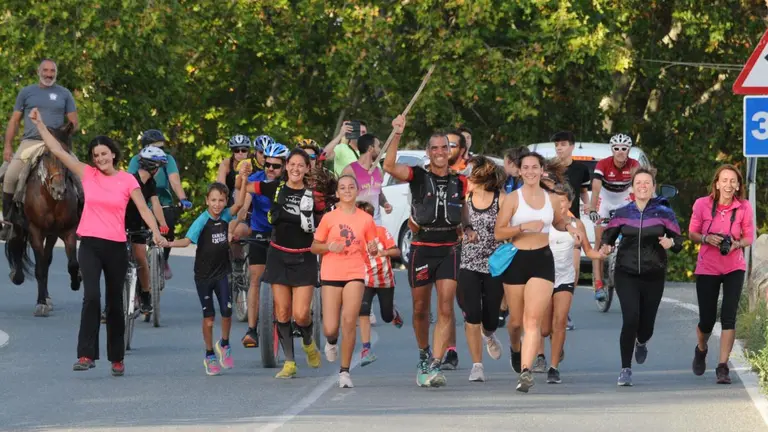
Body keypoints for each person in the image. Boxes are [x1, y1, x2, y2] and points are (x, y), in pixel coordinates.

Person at [28, 108, 166, 376]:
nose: (100, 158)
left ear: (113, 154)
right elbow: (58, 151)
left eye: (104, 154)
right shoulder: (87, 174)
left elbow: (145, 208)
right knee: (91, 297)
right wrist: (40, 125)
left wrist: (157, 232)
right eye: (96, 155)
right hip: (90, 244)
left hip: (115, 246)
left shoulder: (128, 180)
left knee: (114, 303)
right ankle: (85, 354)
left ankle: (117, 358)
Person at [383, 116, 472, 388]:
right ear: (428, 152)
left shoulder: (460, 181)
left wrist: (468, 228)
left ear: (451, 151)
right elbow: (388, 165)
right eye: (434, 148)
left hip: (449, 249)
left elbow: (463, 210)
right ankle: (423, 354)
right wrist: (397, 133)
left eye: (444, 147)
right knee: (421, 309)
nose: (440, 152)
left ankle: (435, 362)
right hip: (422, 249)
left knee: (446, 306)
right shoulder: (417, 176)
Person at [494, 149, 581, 393]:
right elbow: (498, 232)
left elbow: (558, 222)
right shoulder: (512, 198)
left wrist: (570, 227)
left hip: (542, 260)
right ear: (520, 171)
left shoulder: (551, 198)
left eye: (535, 167)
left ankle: (526, 372)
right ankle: (514, 346)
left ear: (542, 171)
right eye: (526, 167)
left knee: (532, 320)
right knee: (515, 322)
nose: (531, 172)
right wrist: (522, 226)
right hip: (517, 260)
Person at [246, 148, 325, 379]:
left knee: (300, 315)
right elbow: (246, 190)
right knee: (282, 312)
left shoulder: (314, 195)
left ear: (307, 168)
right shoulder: (274, 188)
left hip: (304, 257)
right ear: (286, 166)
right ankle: (289, 362)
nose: (296, 169)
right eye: (292, 164)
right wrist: (243, 178)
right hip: (278, 256)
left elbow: (328, 216)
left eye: (301, 165)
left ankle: (309, 343)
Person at [600, 167, 683, 386]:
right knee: (630, 318)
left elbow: (679, 243)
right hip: (626, 273)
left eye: (647, 183)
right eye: (639, 183)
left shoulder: (664, 213)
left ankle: (642, 341)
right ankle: (625, 369)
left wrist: (671, 243)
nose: (643, 186)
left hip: (653, 274)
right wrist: (606, 246)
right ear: (632, 187)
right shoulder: (623, 212)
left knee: (646, 325)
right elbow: (608, 237)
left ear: (653, 187)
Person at [689, 165, 755, 384]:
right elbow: (692, 233)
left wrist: (737, 244)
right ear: (716, 183)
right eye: (724, 180)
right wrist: (707, 238)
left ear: (738, 185)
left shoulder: (744, 207)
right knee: (706, 320)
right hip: (707, 266)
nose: (728, 185)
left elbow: (749, 237)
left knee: (729, 315)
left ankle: (722, 366)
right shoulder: (702, 204)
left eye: (732, 181)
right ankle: (701, 348)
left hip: (734, 266)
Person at [311, 176, 378, 388]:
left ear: (357, 191)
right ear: (337, 193)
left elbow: (372, 244)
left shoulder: (366, 219)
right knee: (331, 328)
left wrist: (374, 249)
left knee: (349, 321)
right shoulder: (329, 218)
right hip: (331, 273)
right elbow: (314, 246)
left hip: (355, 272)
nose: (347, 191)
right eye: (343, 188)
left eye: (351, 187)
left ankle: (345, 371)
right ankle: (331, 342)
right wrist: (329, 247)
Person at [2, 59, 78, 240]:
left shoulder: (64, 94)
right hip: (31, 142)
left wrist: (65, 132)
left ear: (56, 73)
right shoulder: (26, 92)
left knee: (81, 177)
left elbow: (74, 123)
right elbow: (14, 121)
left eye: (52, 71)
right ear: (39, 71)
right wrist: (8, 146)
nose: (49, 74)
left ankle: (82, 221)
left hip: (57, 143)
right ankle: (8, 223)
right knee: (10, 176)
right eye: (45, 70)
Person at [536, 181, 601, 384]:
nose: (560, 206)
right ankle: (555, 346)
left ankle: (554, 367)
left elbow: (589, 251)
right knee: (545, 329)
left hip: (564, 279)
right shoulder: (542, 222)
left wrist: (603, 254)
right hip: (544, 278)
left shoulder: (576, 225)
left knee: (560, 323)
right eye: (557, 201)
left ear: (570, 203)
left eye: (564, 202)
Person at [169, 183, 236, 375]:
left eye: (221, 200)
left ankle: (224, 344)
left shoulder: (226, 216)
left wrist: (243, 180)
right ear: (207, 200)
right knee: (209, 319)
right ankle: (209, 355)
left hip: (222, 273)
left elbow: (240, 206)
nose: (217, 204)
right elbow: (187, 241)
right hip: (204, 276)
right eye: (213, 200)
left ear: (225, 202)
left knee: (227, 311)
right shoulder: (201, 221)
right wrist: (169, 243)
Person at [458, 156, 506, 383]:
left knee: (490, 318)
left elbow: (509, 226)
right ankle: (477, 365)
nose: (467, 178)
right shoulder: (464, 199)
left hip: (494, 265)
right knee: (472, 316)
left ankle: (489, 335)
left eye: (471, 174)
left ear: (481, 177)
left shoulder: (501, 199)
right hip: (468, 263)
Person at [237, 143, 288, 347]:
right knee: (256, 278)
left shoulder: (290, 182)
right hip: (259, 230)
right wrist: (237, 222)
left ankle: (289, 320)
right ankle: (251, 330)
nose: (270, 169)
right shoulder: (256, 180)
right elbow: (244, 202)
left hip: (284, 234)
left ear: (284, 166)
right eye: (267, 164)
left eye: (276, 166)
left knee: (285, 280)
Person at [128, 129, 192, 280]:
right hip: (139, 204)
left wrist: (182, 199)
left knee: (168, 223)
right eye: (157, 147)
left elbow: (174, 181)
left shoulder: (166, 159)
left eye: (162, 147)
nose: (161, 151)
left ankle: (164, 259)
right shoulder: (136, 161)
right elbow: (129, 185)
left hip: (162, 203)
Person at [588, 133, 640, 300]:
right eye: (616, 149)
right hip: (605, 199)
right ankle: (598, 283)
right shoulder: (603, 164)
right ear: (612, 150)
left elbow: (639, 187)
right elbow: (595, 189)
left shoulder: (634, 165)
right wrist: (593, 210)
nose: (620, 152)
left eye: (624, 149)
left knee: (634, 234)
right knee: (599, 241)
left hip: (623, 197)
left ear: (628, 150)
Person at [356, 201, 404, 367]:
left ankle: (393, 313)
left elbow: (396, 251)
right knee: (363, 310)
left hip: (384, 279)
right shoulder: (354, 235)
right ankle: (366, 349)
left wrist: (382, 252)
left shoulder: (381, 231)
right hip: (365, 279)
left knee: (386, 316)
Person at [552, 131, 590, 331]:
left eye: (563, 144)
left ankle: (564, 311)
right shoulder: (549, 168)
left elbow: (583, 193)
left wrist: (590, 207)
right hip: (551, 226)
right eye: (557, 144)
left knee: (573, 270)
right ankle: (551, 309)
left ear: (572, 146)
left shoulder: (581, 169)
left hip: (572, 224)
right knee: (553, 270)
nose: (559, 148)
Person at [125, 147, 170, 315]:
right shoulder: (129, 179)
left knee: (141, 258)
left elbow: (156, 204)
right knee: (117, 263)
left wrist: (162, 223)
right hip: (121, 225)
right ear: (155, 167)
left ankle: (145, 295)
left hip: (137, 225)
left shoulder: (150, 183)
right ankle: (111, 305)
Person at [341, 133, 393, 225]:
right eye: (378, 146)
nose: (380, 150)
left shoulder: (378, 171)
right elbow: (340, 198)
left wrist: (385, 203)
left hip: (376, 224)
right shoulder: (350, 170)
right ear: (370, 148)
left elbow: (378, 193)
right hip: (355, 224)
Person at [218, 134, 254, 207]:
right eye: (237, 150)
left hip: (248, 199)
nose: (240, 153)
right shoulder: (226, 163)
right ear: (233, 152)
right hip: (229, 201)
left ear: (248, 151)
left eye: (243, 150)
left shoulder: (252, 163)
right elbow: (220, 186)